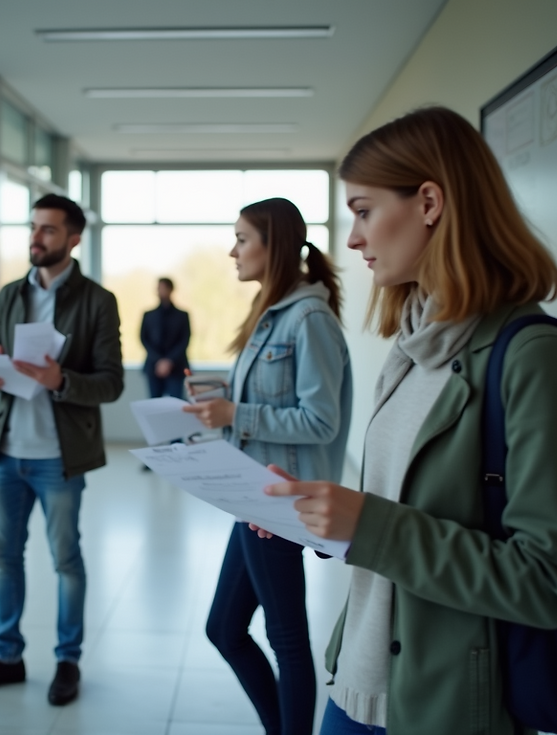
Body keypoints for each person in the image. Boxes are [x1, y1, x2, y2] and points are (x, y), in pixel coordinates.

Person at [257, 107, 557, 735]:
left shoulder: (534, 358)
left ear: (430, 202)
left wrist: (371, 525)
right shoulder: (412, 346)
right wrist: (322, 516)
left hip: (441, 706)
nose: (352, 238)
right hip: (357, 682)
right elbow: (401, 512)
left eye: (362, 211)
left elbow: (549, 582)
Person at [183, 198, 352, 735]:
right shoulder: (273, 312)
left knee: (286, 641)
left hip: (280, 499)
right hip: (254, 495)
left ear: (271, 245)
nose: (232, 250)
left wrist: (235, 410)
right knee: (225, 629)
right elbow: (273, 397)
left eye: (241, 238)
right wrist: (221, 396)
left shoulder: (309, 318)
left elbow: (319, 421)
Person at [0, 194, 123, 705]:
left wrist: (60, 379)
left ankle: (66, 660)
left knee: (65, 559)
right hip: (7, 452)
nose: (36, 238)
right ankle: (7, 655)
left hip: (59, 457)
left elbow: (111, 383)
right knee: (5, 557)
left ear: (73, 239)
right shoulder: (9, 295)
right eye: (33, 228)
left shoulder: (97, 301)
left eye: (48, 230)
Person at [140, 277, 191, 399]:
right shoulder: (148, 315)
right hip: (154, 367)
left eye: (163, 288)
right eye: (158, 288)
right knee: (154, 406)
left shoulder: (182, 315)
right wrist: (158, 360)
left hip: (176, 367)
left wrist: (169, 361)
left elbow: (185, 340)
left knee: (176, 405)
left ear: (171, 290)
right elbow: (143, 339)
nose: (160, 291)